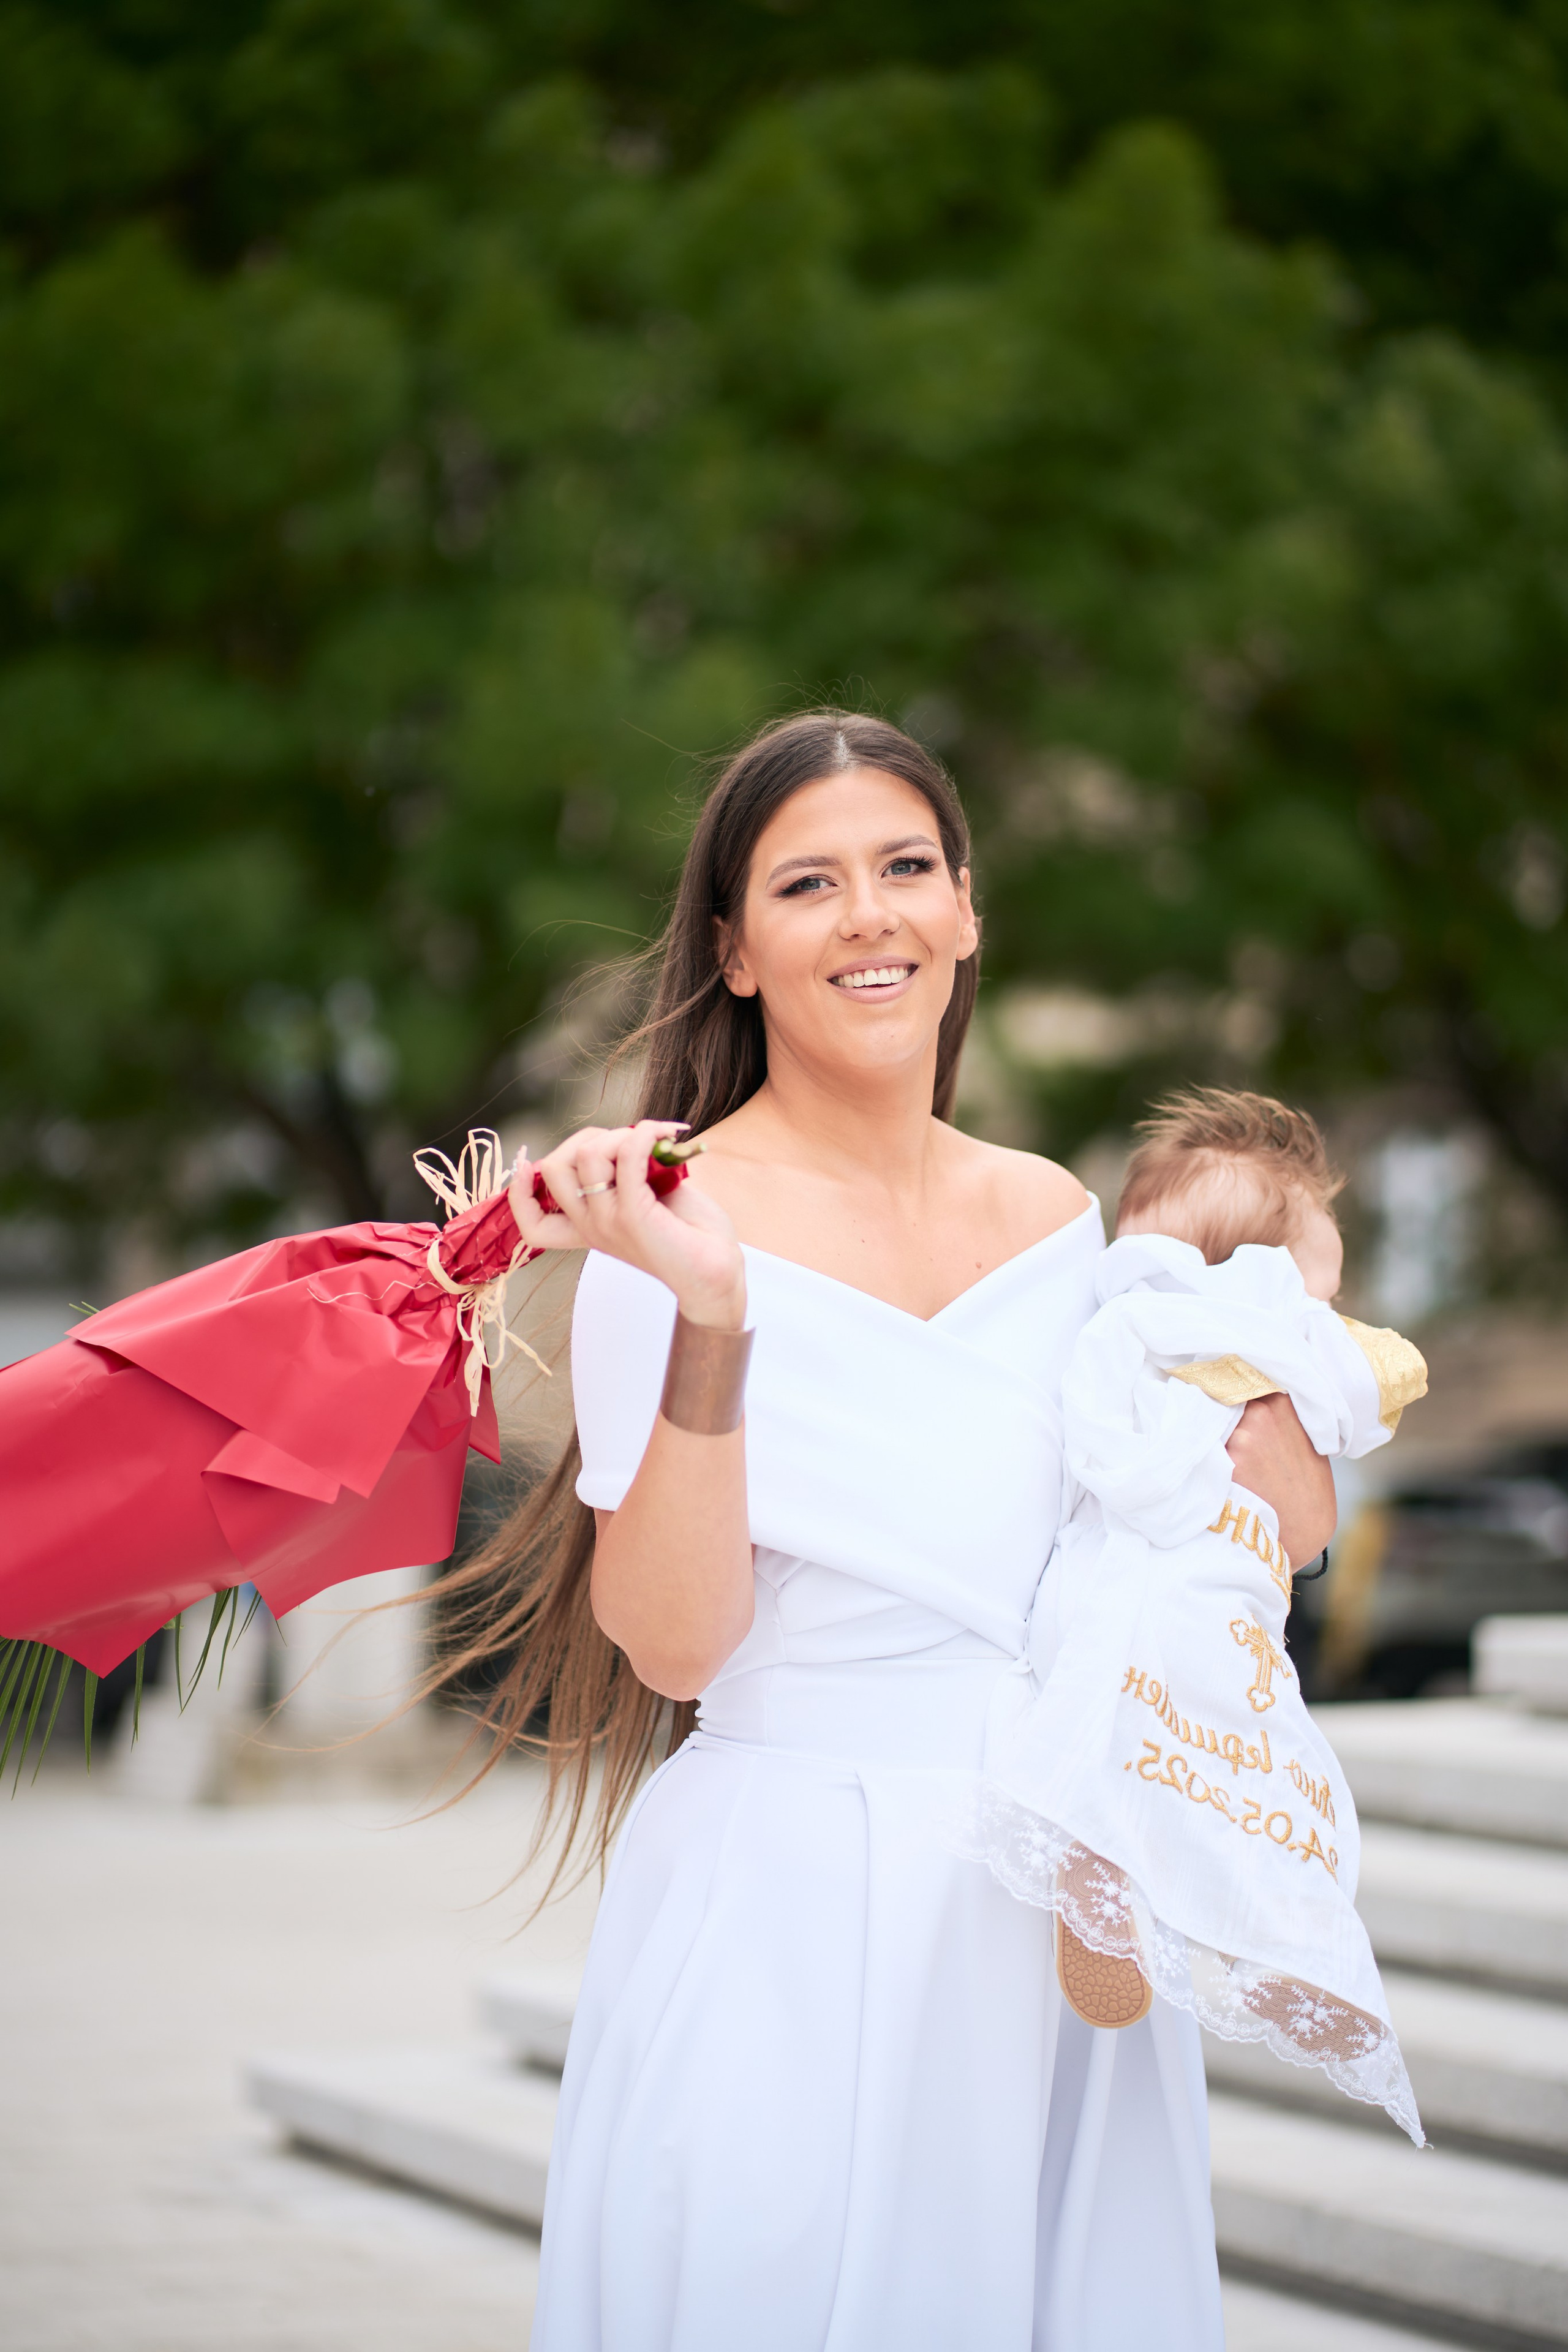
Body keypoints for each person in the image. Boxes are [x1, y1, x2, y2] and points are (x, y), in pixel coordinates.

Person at [440, 711, 1335, 2352]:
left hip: (1055, 1907)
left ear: (968, 910)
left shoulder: (1065, 1223)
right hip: (796, 1902)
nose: (871, 914)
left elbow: (1166, 1545)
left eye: (906, 867)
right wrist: (712, 1314)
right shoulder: (671, 1229)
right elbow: (680, 1643)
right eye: (810, 884)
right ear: (735, 950)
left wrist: (1284, 1417)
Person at [965, 1090, 1426, 2145]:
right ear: (1255, 1276)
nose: (1328, 1307)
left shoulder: (1119, 1335)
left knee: (1161, 1730)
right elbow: (1367, 1391)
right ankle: (1266, 1927)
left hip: (1111, 1584)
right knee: (1257, 1749)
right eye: (1320, 1280)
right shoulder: (1253, 1339)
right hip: (1189, 1583)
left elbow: (1106, 1446)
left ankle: (1145, 1890)